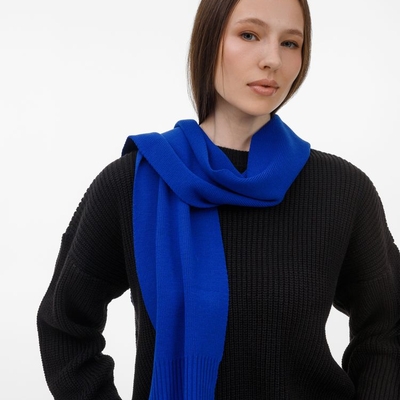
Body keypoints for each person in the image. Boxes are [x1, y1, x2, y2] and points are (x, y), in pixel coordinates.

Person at [37, 0, 400, 398]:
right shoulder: (133, 183)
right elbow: (64, 324)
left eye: (290, 43)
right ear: (209, 41)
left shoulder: (343, 190)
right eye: (250, 35)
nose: (272, 60)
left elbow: (388, 327)